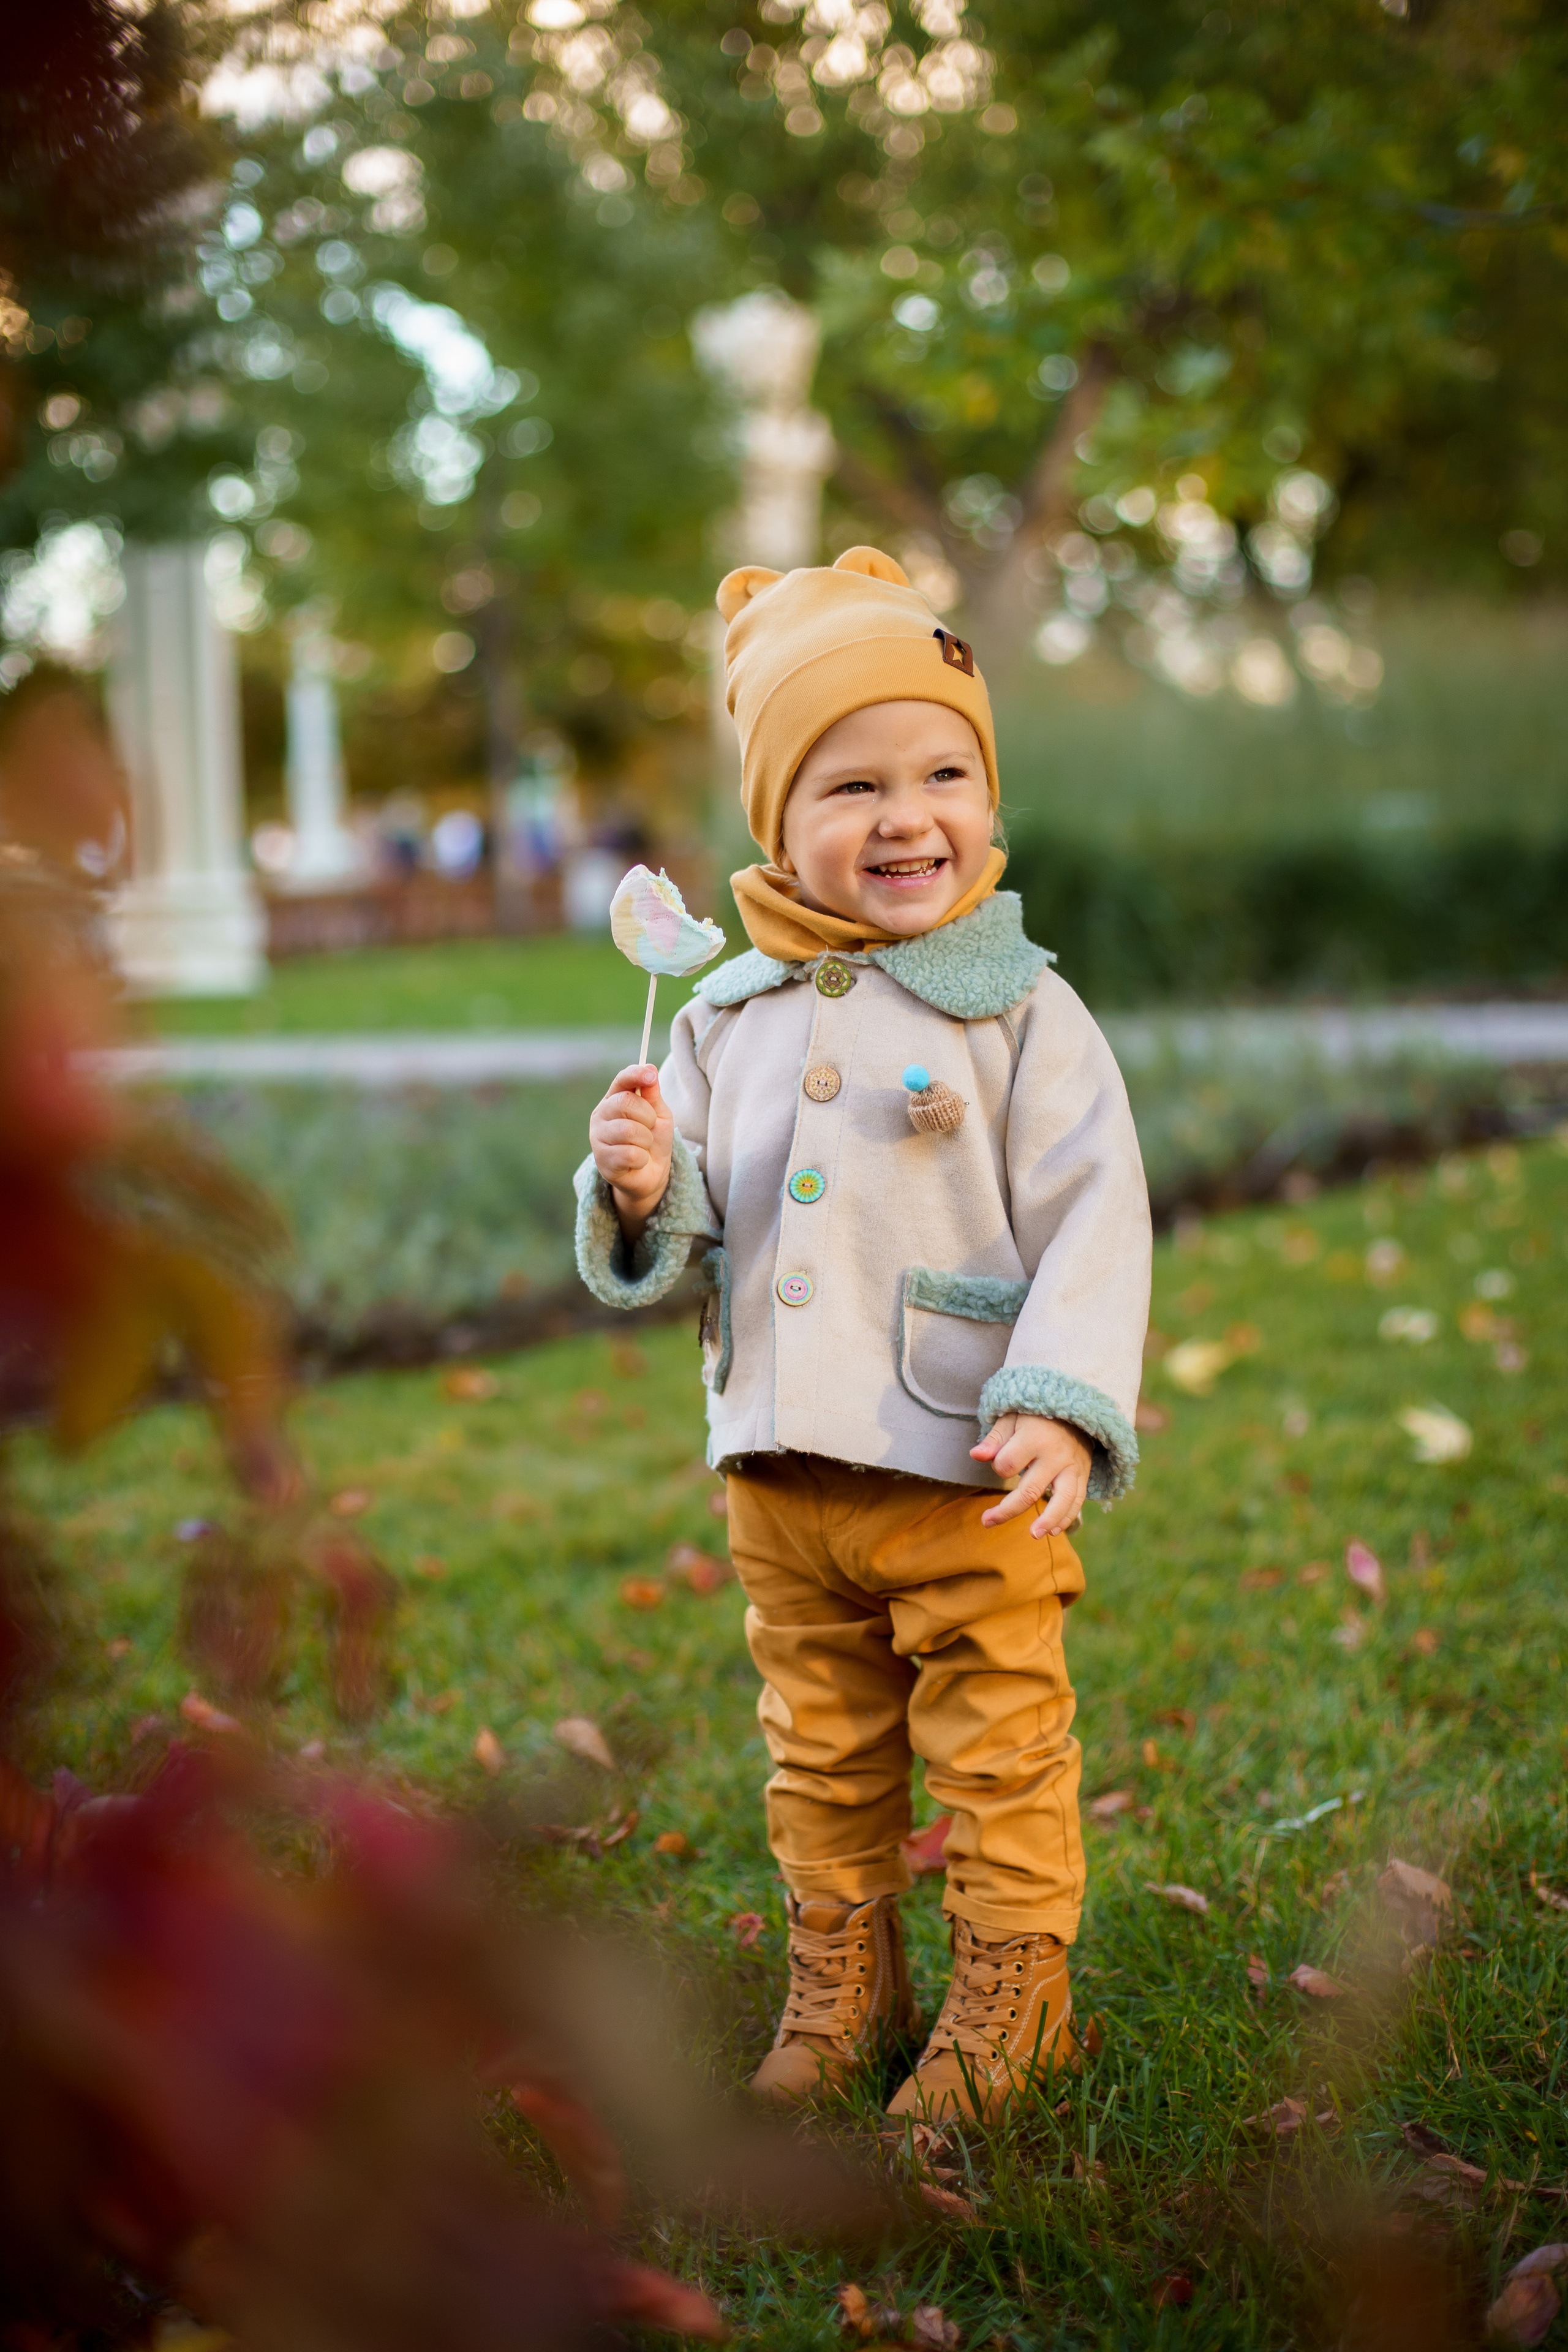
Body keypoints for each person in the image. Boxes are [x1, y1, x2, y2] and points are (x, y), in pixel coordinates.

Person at [576, 548, 1151, 2121]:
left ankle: (1015, 1994)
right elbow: (694, 1223)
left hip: (964, 1461)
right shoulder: (724, 1014)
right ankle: (847, 1976)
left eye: (943, 774)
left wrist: (1057, 1396)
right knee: (819, 1742)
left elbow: (1096, 1208)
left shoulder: (1015, 1008)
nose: (907, 817)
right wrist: (641, 1186)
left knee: (995, 1734)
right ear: (777, 822)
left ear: (986, 792)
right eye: (852, 787)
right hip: (781, 1468)